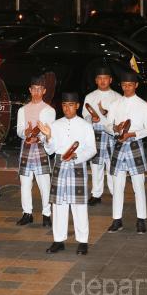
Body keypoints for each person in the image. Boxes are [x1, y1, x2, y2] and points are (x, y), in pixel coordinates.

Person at [39, 92, 96, 255]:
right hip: (59, 165)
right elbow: (50, 150)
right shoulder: (55, 125)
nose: (67, 108)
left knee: (79, 205)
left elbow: (92, 149)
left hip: (77, 166)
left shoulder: (85, 126)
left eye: (71, 105)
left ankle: (83, 241)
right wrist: (48, 137)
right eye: (64, 105)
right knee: (59, 205)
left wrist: (76, 156)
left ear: (77, 106)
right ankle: (58, 240)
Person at [105, 71, 147, 234]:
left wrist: (132, 134)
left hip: (134, 145)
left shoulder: (144, 105)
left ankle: (141, 220)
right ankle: (117, 219)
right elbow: (107, 126)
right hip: (119, 145)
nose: (127, 88)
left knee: (138, 185)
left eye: (130, 85)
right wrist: (115, 128)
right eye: (124, 85)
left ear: (136, 85)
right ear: (121, 85)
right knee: (117, 185)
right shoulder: (115, 104)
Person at [15, 75, 56, 227]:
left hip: (40, 148)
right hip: (26, 147)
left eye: (40, 89)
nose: (37, 92)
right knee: (25, 183)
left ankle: (47, 214)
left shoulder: (49, 110)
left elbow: (50, 131)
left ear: (44, 91)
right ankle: (27, 213)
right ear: (30, 90)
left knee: (44, 183)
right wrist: (25, 133)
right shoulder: (22, 110)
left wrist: (39, 138)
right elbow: (19, 130)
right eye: (34, 89)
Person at [82, 67, 121, 206]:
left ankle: (115, 193)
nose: (102, 81)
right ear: (96, 80)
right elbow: (85, 115)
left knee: (111, 165)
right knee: (96, 165)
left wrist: (105, 113)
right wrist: (91, 119)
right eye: (100, 78)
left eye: (105, 78)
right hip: (96, 133)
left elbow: (120, 117)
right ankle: (96, 194)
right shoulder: (90, 96)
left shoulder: (117, 97)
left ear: (110, 80)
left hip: (111, 133)